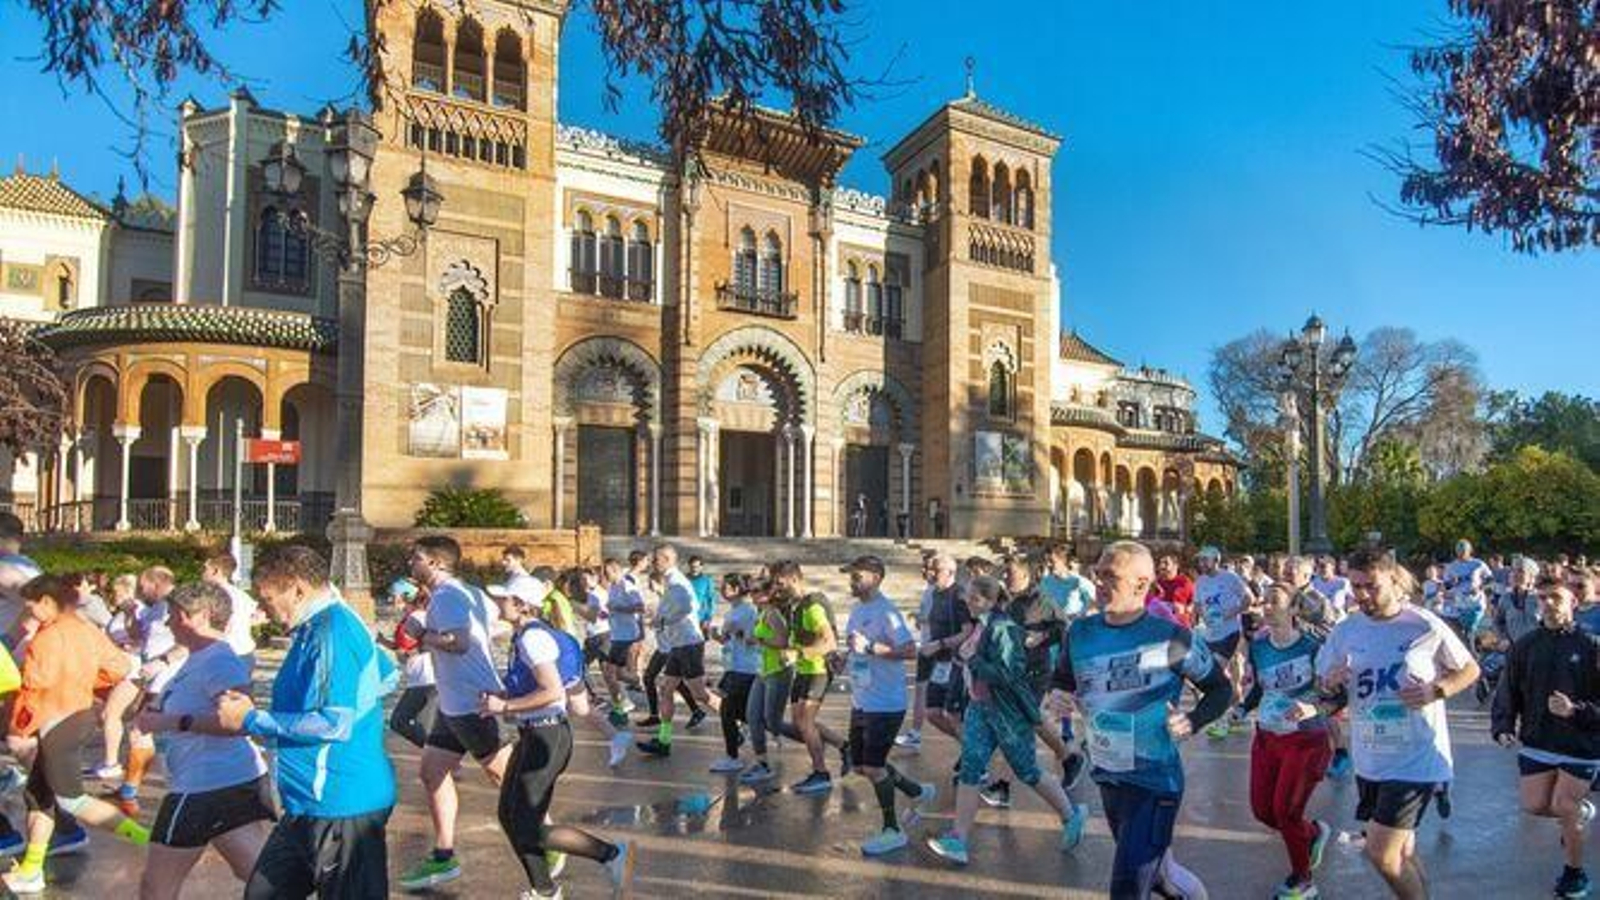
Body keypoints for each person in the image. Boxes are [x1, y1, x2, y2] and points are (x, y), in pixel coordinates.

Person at [1046, 542, 1232, 899]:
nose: (1098, 583)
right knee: (1159, 878)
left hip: (1154, 781)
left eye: (1109, 577)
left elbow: (1221, 690)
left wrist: (1193, 720)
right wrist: (1058, 694)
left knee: (1128, 888)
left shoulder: (1170, 637)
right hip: (1109, 776)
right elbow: (1063, 680)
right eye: (1098, 574)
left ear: (1141, 583)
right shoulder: (1080, 633)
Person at [216, 544, 396, 900]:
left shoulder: (332, 632)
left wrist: (252, 719)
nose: (262, 609)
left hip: (341, 805)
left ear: (296, 589)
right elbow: (387, 674)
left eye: (266, 598)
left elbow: (334, 724)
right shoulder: (323, 626)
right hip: (307, 806)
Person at [1317, 548, 1479, 900]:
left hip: (1416, 758)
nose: (1362, 595)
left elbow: (1470, 669)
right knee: (1402, 852)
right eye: (1356, 586)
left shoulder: (1423, 624)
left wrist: (1438, 689)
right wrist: (1330, 683)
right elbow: (1325, 693)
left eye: (1371, 586)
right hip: (1371, 758)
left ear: (1393, 579)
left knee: (1381, 853)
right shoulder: (1345, 631)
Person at [480, 578, 636, 898]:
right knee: (509, 815)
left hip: (547, 737)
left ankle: (611, 855)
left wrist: (504, 705)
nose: (499, 604)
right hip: (535, 734)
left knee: (526, 823)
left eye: (505, 598)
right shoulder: (526, 634)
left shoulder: (533, 638)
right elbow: (536, 686)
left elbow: (552, 692)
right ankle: (544, 890)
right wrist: (505, 694)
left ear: (523, 604)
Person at [1, 575, 146, 896]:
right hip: (79, 715)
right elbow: (118, 667)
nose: (29, 614)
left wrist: (18, 727)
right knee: (38, 796)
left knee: (72, 799)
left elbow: (33, 689)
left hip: (55, 721)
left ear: (48, 603)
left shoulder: (46, 638)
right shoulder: (87, 631)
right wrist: (85, 683)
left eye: (31, 607)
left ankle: (148, 841)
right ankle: (31, 870)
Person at [928, 574, 1083, 866]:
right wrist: (968, 660)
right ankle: (958, 839)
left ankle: (1071, 815)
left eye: (974, 598)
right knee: (971, 769)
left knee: (1027, 770)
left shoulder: (1003, 628)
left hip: (1007, 712)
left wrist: (972, 660)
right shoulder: (983, 624)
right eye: (968, 597)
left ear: (989, 600)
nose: (967, 602)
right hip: (980, 708)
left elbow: (1010, 675)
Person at [136, 582, 271, 900]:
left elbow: (239, 722)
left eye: (173, 615)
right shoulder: (200, 656)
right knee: (257, 872)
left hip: (203, 786)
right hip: (228, 779)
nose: (168, 622)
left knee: (156, 887)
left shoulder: (218, 660)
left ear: (198, 616)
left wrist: (171, 721)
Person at [399, 535, 513, 891]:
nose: (410, 564)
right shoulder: (469, 592)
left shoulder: (447, 596)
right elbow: (493, 625)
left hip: (471, 704)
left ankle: (550, 840)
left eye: (416, 558)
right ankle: (444, 856)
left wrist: (422, 635)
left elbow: (459, 643)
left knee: (509, 780)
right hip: (454, 704)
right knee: (432, 773)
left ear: (436, 563)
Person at [1491, 576, 1600, 900]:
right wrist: (1503, 725)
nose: (1548, 604)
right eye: (1542, 598)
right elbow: (1508, 688)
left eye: (1556, 597)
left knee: (1564, 804)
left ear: (1573, 604)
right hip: (1539, 740)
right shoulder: (1526, 645)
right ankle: (1578, 816)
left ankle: (1574, 874)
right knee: (1536, 805)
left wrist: (1576, 711)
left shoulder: (1592, 646)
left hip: (1582, 743)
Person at [1243, 584, 1341, 900]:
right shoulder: (1257, 647)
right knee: (1263, 811)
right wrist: (1241, 708)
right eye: (1265, 601)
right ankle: (1313, 833)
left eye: (1275, 602)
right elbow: (1260, 689)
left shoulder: (1314, 647)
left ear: (1295, 610)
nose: (1267, 607)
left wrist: (1314, 707)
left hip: (1306, 739)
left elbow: (1337, 695)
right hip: (1268, 737)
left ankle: (1303, 880)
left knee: (1286, 812)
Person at [835, 556, 935, 855]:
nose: (851, 581)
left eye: (857, 576)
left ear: (876, 577)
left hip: (886, 702)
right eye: (850, 576)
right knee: (861, 765)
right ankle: (917, 791)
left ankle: (893, 829)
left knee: (874, 767)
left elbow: (909, 650)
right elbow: (856, 649)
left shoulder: (887, 612)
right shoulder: (856, 610)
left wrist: (870, 648)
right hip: (863, 699)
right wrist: (842, 658)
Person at [114, 565, 185, 816]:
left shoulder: (177, 604)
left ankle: (133, 791)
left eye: (143, 587)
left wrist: (163, 662)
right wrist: (130, 614)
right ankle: (131, 787)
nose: (141, 592)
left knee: (142, 731)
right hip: (152, 679)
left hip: (169, 678)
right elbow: (138, 636)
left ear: (157, 583)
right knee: (143, 731)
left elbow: (188, 641)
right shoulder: (155, 608)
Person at [638, 545, 720, 757]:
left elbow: (688, 607)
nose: (653, 564)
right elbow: (671, 610)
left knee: (700, 694)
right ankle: (664, 741)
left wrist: (662, 620)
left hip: (689, 644)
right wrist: (657, 618)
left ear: (666, 559)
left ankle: (737, 722)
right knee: (666, 690)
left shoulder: (677, 583)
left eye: (655, 560)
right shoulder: (670, 582)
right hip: (677, 645)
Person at [775, 560, 848, 794]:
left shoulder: (812, 605)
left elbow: (829, 641)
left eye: (780, 582)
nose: (777, 587)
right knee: (800, 723)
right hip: (803, 670)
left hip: (817, 669)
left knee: (805, 723)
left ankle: (821, 773)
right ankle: (845, 746)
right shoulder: (795, 605)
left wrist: (797, 653)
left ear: (794, 579)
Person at [741, 580, 796, 785]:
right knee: (753, 717)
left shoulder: (773, 613)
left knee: (772, 721)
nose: (751, 595)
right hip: (762, 672)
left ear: (768, 593)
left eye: (756, 591)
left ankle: (812, 737)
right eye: (750, 591)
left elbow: (782, 643)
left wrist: (758, 641)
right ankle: (762, 764)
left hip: (778, 672)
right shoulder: (761, 613)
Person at [1194, 546, 1251, 738]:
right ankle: (1240, 714)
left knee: (1217, 676)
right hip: (1210, 634)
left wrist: (1229, 614)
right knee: (1228, 678)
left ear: (1216, 560)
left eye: (1205, 560)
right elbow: (1198, 605)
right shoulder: (1200, 581)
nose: (1201, 564)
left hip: (1230, 633)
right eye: (1200, 560)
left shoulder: (1230, 578)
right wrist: (1204, 616)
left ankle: (1221, 721)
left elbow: (1248, 599)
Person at [919, 554, 974, 753]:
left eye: (937, 570)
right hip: (939, 663)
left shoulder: (958, 595)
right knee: (932, 713)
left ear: (950, 572)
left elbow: (968, 631)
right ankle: (971, 749)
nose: (931, 574)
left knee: (955, 715)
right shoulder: (934, 593)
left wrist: (940, 644)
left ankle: (975, 760)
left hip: (957, 663)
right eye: (931, 569)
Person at [377, 578, 437, 749]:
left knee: (400, 721)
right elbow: (402, 646)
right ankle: (440, 757)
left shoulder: (418, 617)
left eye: (393, 595)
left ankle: (439, 756)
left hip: (427, 679)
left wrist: (411, 652)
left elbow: (434, 643)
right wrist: (382, 641)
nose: (390, 599)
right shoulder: (410, 617)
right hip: (418, 679)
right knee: (407, 723)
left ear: (405, 596)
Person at [710, 574, 760, 773]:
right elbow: (730, 639)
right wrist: (719, 637)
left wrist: (739, 632)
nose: (722, 590)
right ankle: (772, 729)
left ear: (738, 589)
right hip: (733, 665)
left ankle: (733, 756)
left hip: (746, 667)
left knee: (727, 710)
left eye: (726, 587)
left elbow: (754, 637)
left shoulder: (749, 610)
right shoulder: (733, 611)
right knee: (743, 712)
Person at [201, 552, 259, 667]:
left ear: (215, 571)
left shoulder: (213, 596)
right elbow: (259, 616)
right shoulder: (242, 595)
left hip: (223, 656)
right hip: (245, 653)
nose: (202, 573)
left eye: (205, 569)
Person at [1441, 539, 1493, 646]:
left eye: (1464, 550)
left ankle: (1473, 650)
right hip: (1460, 603)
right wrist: (1452, 582)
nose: (1461, 553)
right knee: (1464, 632)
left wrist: (1480, 587)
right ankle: (1472, 648)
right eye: (1459, 551)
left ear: (1470, 550)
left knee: (1472, 627)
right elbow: (1446, 586)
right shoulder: (1451, 566)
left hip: (1476, 603)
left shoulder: (1478, 563)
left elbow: (1490, 579)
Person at [1493, 557, 1543, 648]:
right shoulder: (1505, 598)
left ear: (1531, 577)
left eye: (1521, 571)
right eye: (1513, 571)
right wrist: (1504, 638)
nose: (1515, 574)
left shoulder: (1541, 598)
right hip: (1513, 649)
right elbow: (1498, 622)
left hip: (1537, 649)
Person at [1154, 554, 1196, 628]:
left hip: (1180, 627)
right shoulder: (1155, 583)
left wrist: (1186, 609)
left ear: (1176, 566)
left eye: (1166, 563)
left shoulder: (1185, 582)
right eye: (1160, 563)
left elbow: (1195, 602)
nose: (1162, 566)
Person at [687, 556, 717, 628]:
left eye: (697, 567)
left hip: (701, 617)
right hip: (687, 616)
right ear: (689, 566)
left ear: (701, 567)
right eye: (692, 566)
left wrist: (708, 617)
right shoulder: (684, 579)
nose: (694, 569)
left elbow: (711, 599)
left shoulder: (707, 580)